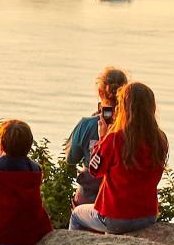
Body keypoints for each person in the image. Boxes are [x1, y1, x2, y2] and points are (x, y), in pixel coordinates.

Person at [68, 82, 168, 235]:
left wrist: (102, 137)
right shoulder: (159, 139)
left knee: (76, 214)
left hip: (116, 218)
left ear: (123, 108)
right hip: (148, 216)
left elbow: (95, 171)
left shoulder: (115, 139)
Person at [65, 66, 128, 206]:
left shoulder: (87, 124)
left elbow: (71, 158)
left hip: (89, 194)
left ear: (100, 92)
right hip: (122, 196)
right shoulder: (134, 127)